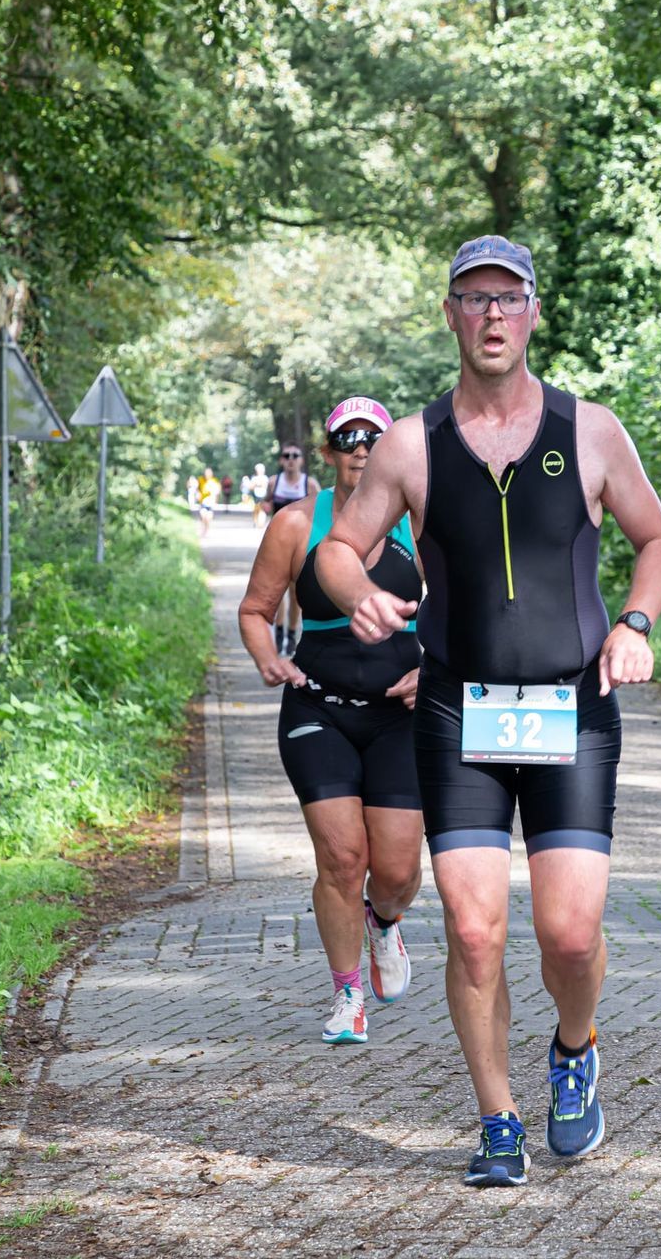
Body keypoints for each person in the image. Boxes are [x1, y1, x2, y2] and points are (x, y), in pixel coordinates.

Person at [317, 235, 661, 1187]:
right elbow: (337, 549)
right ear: (450, 315)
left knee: (568, 934)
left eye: (506, 298)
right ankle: (497, 1119)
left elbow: (659, 540)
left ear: (531, 312)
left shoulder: (591, 431)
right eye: (472, 299)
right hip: (456, 711)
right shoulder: (409, 442)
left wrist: (636, 622)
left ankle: (573, 1050)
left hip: (573, 707)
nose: (490, 315)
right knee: (475, 931)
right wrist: (353, 586)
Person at [238, 398, 425, 1045]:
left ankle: (385, 920)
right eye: (347, 437)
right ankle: (348, 994)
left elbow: (465, 617)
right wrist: (269, 658)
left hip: (402, 717)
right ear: (327, 452)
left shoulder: (419, 525)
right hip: (318, 707)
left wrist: (433, 666)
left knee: (397, 871)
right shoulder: (295, 525)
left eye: (374, 435)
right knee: (343, 858)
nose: (361, 446)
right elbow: (256, 610)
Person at [269, 443, 319, 655]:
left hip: (301, 545)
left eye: (295, 455)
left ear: (301, 460)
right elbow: (267, 505)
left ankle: (291, 634)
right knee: (278, 592)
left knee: (295, 593)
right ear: (281, 460)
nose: (290, 459)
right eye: (286, 455)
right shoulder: (274, 483)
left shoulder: (310, 485)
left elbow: (321, 512)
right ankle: (279, 632)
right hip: (277, 544)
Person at [195, 467, 221, 540]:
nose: (207, 475)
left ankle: (207, 531)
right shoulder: (200, 479)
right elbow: (197, 488)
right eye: (206, 473)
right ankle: (203, 530)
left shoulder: (214, 481)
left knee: (208, 518)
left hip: (210, 502)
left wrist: (216, 500)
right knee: (203, 516)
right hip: (203, 502)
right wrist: (197, 493)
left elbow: (218, 491)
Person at [246, 462, 272, 529]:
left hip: (263, 496)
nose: (260, 471)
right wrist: (255, 484)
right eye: (258, 470)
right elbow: (250, 487)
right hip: (256, 496)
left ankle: (261, 523)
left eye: (261, 470)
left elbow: (267, 486)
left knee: (262, 510)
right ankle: (255, 521)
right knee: (256, 510)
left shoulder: (265, 478)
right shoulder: (254, 478)